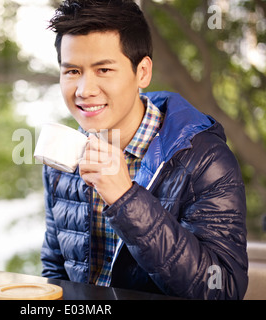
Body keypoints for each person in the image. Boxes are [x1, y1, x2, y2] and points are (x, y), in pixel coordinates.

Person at [40, 0, 248, 299]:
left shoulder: (205, 159)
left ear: (143, 72)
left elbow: (223, 290)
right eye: (72, 71)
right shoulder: (65, 155)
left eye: (104, 69)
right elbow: (55, 274)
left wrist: (125, 199)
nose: (84, 90)